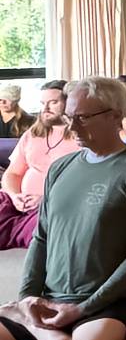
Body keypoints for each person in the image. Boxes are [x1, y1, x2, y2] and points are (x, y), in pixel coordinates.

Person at [0, 77, 126, 340]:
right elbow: (42, 238)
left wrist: (82, 308)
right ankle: (46, 337)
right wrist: (28, 297)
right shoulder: (60, 169)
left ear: (115, 115)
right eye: (69, 117)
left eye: (82, 118)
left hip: (107, 302)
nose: (71, 127)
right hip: (52, 296)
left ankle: (42, 332)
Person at [0, 80, 76, 249]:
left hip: (52, 206)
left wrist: (45, 200)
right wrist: (14, 196)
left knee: (51, 226)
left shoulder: (81, 138)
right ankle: (15, 229)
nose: (45, 108)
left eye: (53, 102)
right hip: (16, 201)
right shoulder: (32, 134)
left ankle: (19, 231)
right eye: (43, 103)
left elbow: (84, 185)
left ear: (69, 103)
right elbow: (13, 173)